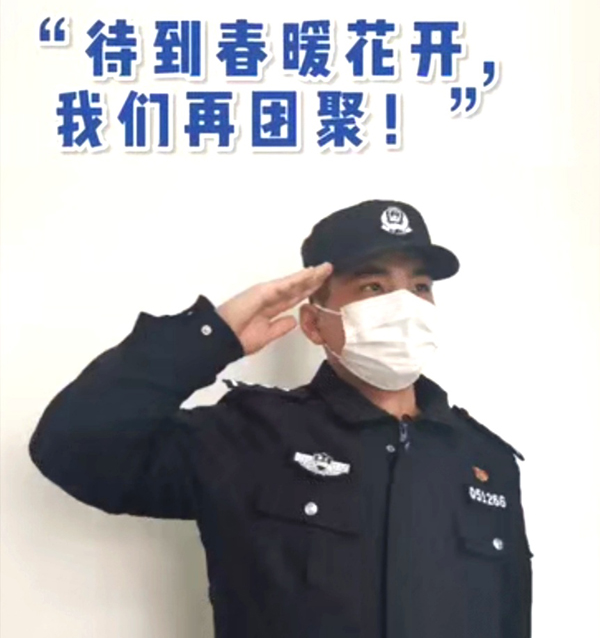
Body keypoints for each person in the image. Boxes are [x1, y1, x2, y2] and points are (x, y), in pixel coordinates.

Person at [29, 199, 533, 638]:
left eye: (419, 287)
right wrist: (212, 336)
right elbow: (74, 446)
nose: (404, 305)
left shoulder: (484, 462)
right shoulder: (252, 435)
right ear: (314, 323)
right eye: (373, 286)